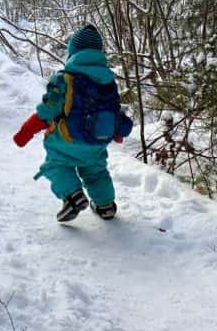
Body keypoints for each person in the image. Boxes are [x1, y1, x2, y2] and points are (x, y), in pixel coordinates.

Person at [12, 25, 134, 222]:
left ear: (73, 52)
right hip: (97, 142)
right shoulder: (108, 81)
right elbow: (112, 110)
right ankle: (106, 205)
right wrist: (116, 132)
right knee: (95, 172)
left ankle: (73, 196)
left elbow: (47, 111)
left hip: (66, 142)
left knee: (55, 165)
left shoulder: (64, 79)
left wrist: (25, 132)